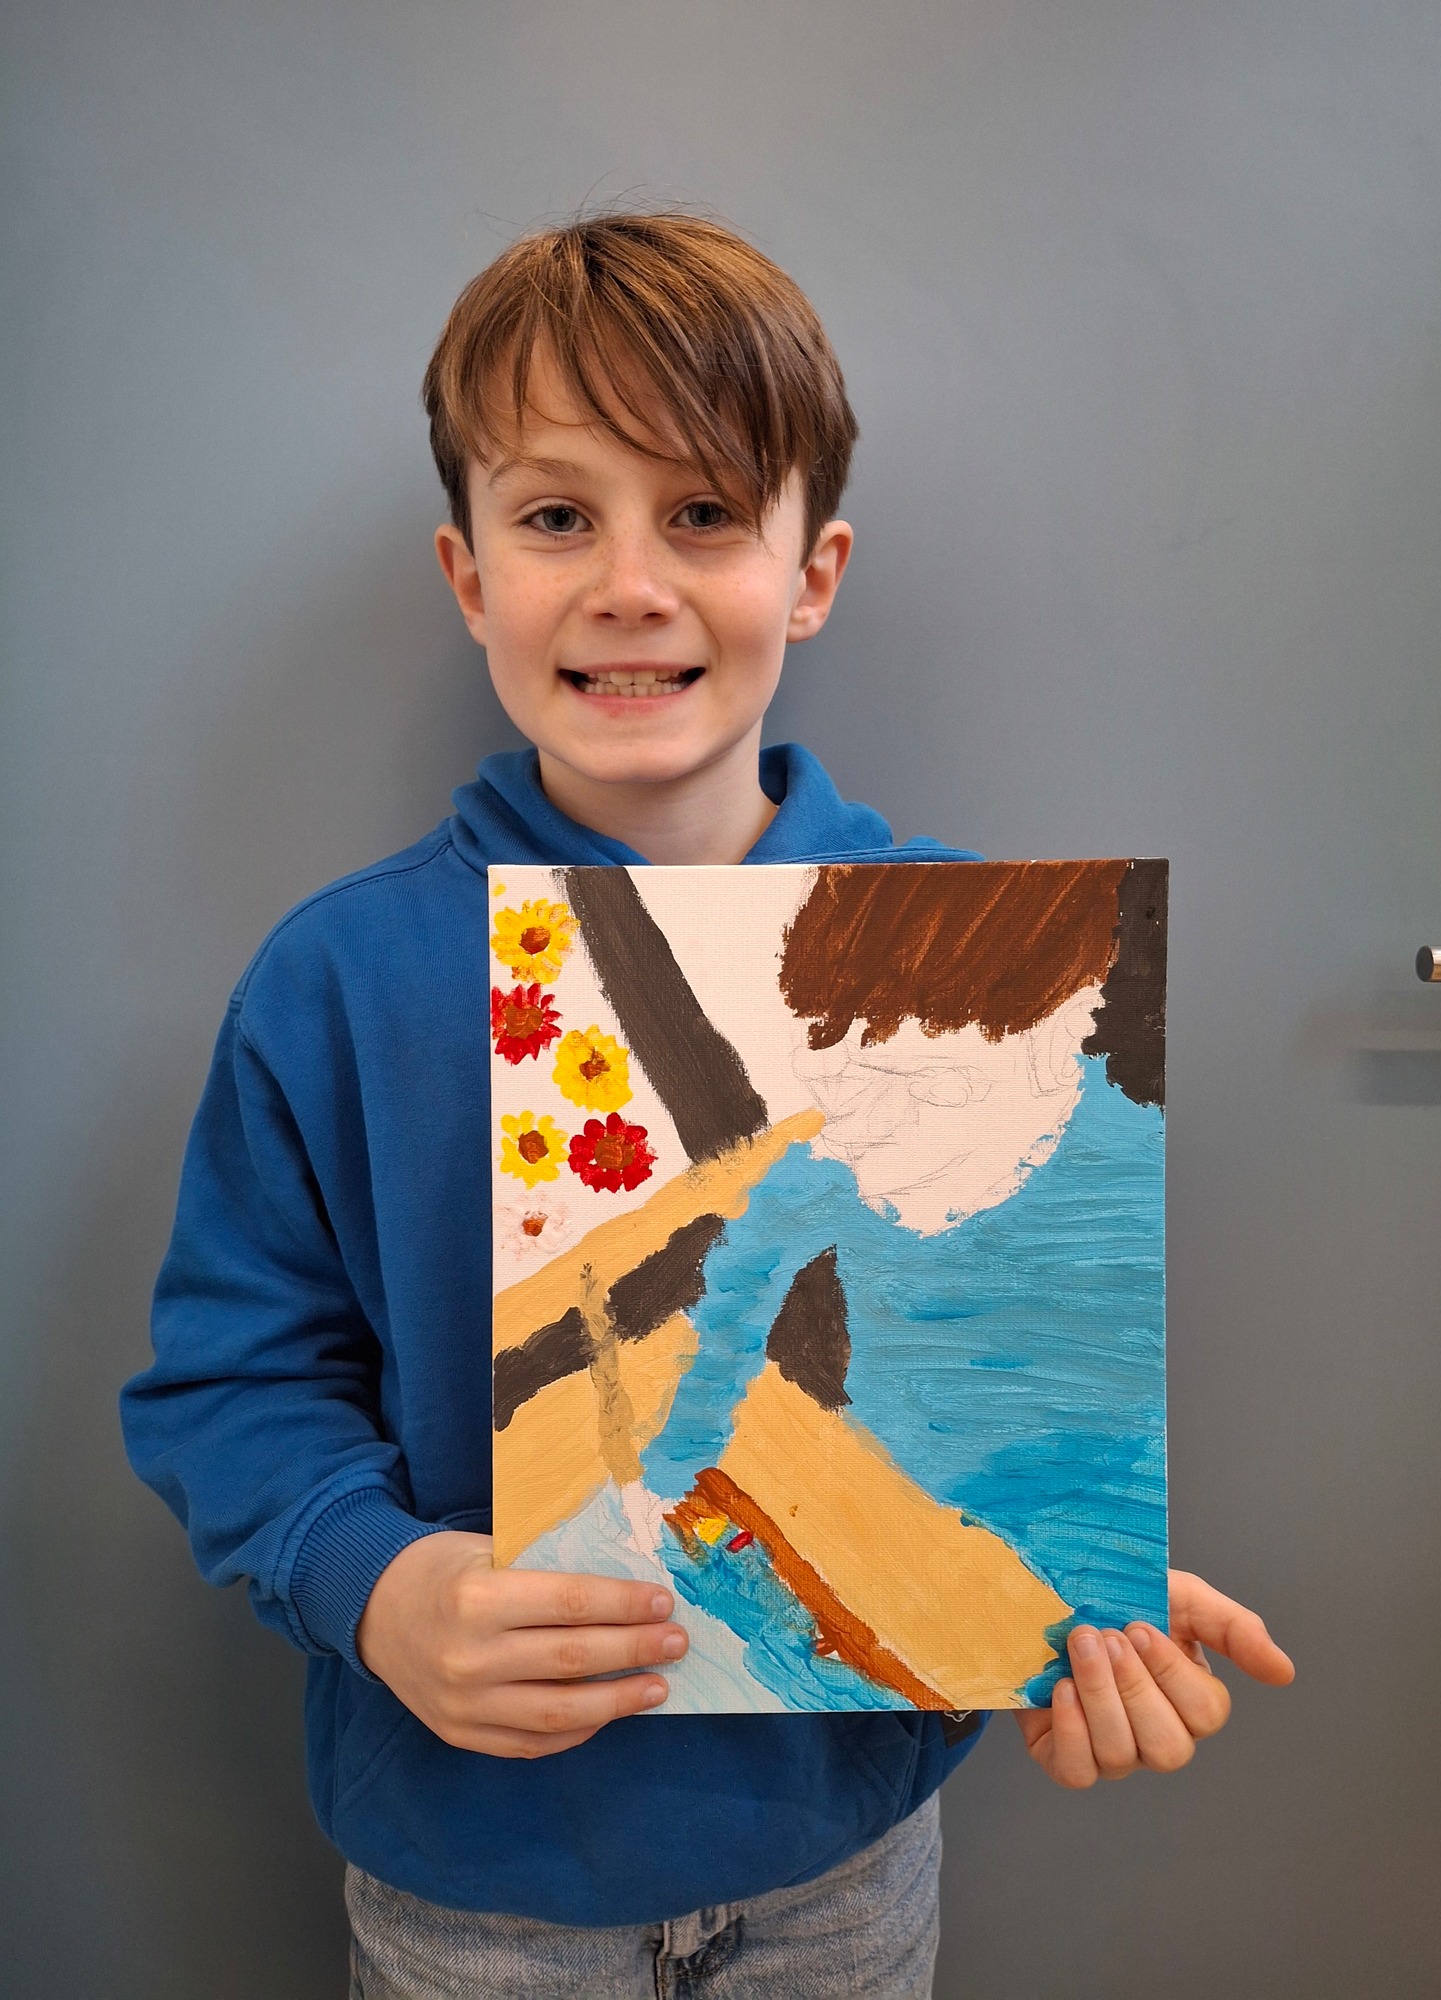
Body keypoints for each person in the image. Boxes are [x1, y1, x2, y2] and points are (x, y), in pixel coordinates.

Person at [121, 211, 1294, 2000]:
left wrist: (1069, 1602)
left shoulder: (983, 968)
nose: (628, 583)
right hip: (477, 1892)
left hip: (843, 1872)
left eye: (703, 513)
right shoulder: (340, 978)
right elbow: (230, 1385)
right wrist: (377, 1587)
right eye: (556, 517)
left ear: (812, 572)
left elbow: (978, 1391)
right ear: (467, 576)